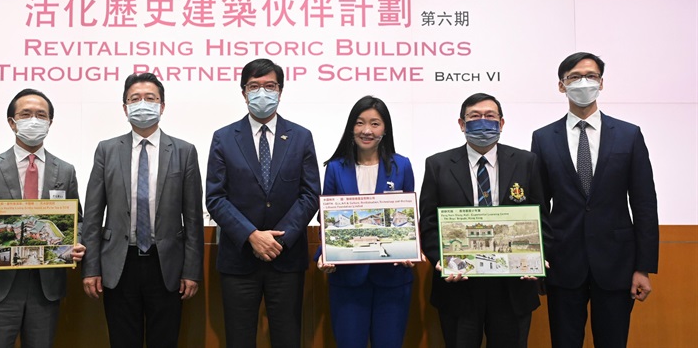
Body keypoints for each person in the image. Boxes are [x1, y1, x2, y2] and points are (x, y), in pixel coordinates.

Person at [531, 52, 658, 347]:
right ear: (562, 85)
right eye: (574, 77)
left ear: (601, 82)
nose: (583, 82)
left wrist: (644, 267)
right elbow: (538, 206)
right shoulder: (543, 138)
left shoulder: (629, 135)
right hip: (563, 264)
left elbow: (644, 204)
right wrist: (536, 263)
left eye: (590, 76)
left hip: (617, 264)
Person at [82, 73, 204, 348]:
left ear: (162, 106)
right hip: (119, 264)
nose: (143, 104)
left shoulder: (184, 151)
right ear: (124, 108)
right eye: (135, 99)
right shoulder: (107, 150)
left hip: (167, 265)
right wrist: (90, 268)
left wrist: (192, 270)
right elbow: (92, 215)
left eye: (151, 98)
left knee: (165, 340)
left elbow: (193, 218)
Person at [206, 58, 321, 348]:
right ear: (243, 92)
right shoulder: (223, 138)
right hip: (239, 258)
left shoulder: (301, 136)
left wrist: (279, 239)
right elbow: (215, 198)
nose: (262, 93)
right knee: (239, 338)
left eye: (269, 86)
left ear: (280, 91)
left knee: (287, 338)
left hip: (286, 256)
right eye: (254, 86)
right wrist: (251, 236)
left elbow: (310, 194)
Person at [419, 93, 548, 348]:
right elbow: (429, 223)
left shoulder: (526, 161)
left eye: (490, 117)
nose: (483, 122)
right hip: (459, 285)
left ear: (501, 123)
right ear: (461, 124)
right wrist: (442, 261)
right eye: (474, 117)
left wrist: (538, 257)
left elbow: (541, 216)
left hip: (513, 286)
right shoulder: (438, 164)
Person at [0, 88, 85, 348]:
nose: (34, 120)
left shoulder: (65, 170)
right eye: (26, 114)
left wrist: (77, 242)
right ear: (12, 122)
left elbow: (78, 222)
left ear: (50, 123)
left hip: (45, 286)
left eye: (41, 115)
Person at [316, 96, 415, 348]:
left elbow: (408, 219)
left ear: (385, 129)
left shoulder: (402, 166)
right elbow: (325, 218)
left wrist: (411, 249)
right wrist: (324, 254)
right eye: (360, 123)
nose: (367, 130)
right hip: (348, 278)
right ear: (352, 128)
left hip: (393, 277)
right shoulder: (336, 168)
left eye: (375, 123)